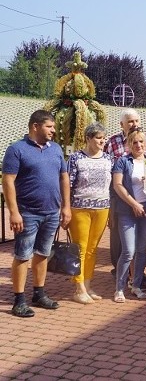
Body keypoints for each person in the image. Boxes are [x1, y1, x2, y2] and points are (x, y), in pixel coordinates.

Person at [3, 110, 71, 317]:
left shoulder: (56, 149)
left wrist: (66, 207)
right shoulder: (17, 150)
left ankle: (39, 294)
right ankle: (19, 300)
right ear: (35, 126)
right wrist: (14, 212)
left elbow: (64, 178)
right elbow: (8, 181)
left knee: (43, 253)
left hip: (52, 212)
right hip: (27, 213)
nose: (53, 130)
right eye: (49, 126)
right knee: (23, 255)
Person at [104, 108, 146, 276]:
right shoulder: (112, 142)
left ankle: (137, 273)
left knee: (140, 242)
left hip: (144, 196)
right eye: (130, 121)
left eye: (136, 121)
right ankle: (121, 271)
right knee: (120, 237)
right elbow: (107, 168)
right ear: (122, 124)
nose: (134, 124)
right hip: (119, 194)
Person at [66, 123, 112, 304]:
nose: (102, 141)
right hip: (80, 208)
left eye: (103, 137)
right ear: (88, 138)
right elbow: (68, 185)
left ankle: (87, 284)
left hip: (102, 207)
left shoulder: (109, 159)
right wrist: (66, 209)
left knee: (93, 249)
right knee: (80, 248)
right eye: (98, 138)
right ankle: (79, 288)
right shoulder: (76, 158)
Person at [112, 129, 146, 303]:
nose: (138, 145)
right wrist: (134, 204)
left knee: (142, 250)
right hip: (128, 210)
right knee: (128, 251)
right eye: (135, 142)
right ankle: (119, 288)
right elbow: (117, 185)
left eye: (141, 142)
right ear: (129, 144)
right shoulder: (123, 162)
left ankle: (136, 285)